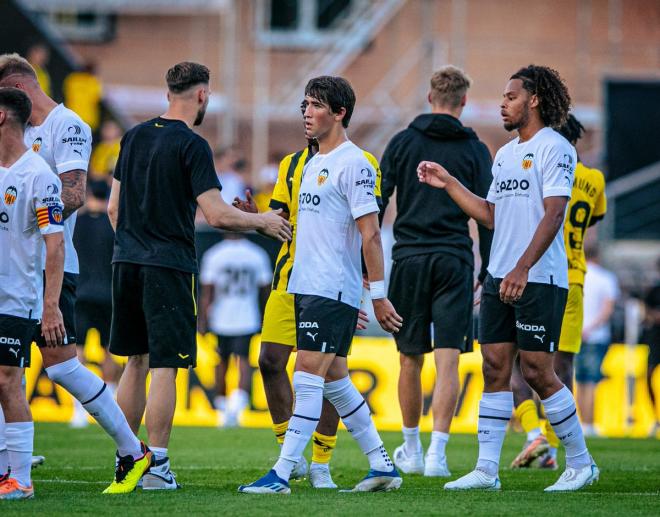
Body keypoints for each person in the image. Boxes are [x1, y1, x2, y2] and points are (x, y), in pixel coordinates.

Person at [108, 61, 290, 491]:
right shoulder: (192, 144)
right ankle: (156, 468)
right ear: (202, 95)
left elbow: (115, 209)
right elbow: (215, 212)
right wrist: (263, 221)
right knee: (166, 366)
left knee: (135, 361)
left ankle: (126, 458)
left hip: (126, 261)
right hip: (167, 264)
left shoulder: (133, 136)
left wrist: (135, 244)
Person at [418, 65, 599, 492]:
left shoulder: (556, 149)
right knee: (495, 367)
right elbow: (492, 215)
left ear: (534, 100)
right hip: (502, 276)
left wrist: (522, 268)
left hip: (538, 278)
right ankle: (486, 470)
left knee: (538, 371)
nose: (503, 103)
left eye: (511, 96)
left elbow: (555, 213)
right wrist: (449, 184)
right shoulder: (505, 153)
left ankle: (581, 462)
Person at [239, 76, 403, 495]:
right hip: (304, 286)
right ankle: (382, 465)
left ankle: (281, 472)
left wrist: (378, 296)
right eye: (304, 105)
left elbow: (370, 234)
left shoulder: (356, 163)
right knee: (336, 383)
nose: (306, 113)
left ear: (339, 112)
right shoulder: (309, 164)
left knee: (307, 376)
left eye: (315, 105)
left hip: (332, 288)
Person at [0, 53, 151, 494]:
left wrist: (35, 214)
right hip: (13, 267)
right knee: (6, 369)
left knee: (62, 369)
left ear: (16, 88)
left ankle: (131, 448)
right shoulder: (18, 134)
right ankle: (13, 459)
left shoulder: (67, 126)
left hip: (50, 266)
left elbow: (75, 193)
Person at [380, 65, 493, 477]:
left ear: (429, 98)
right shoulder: (476, 149)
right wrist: (488, 268)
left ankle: (410, 447)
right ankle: (437, 456)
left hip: (408, 256)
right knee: (449, 361)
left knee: (409, 358)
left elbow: (376, 202)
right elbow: (486, 214)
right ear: (463, 102)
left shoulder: (402, 142)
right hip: (455, 258)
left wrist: (364, 263)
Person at [509, 114, 607, 469]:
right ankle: (551, 447)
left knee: (516, 364)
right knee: (562, 368)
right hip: (575, 280)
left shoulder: (541, 167)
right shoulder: (593, 179)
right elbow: (594, 218)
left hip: (537, 276)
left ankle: (535, 433)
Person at [0, 87, 65, 499]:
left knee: (7, 380)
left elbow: (54, 243)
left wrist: (50, 305)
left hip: (14, 297)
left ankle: (21, 479)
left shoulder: (38, 174)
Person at [198, 233, 272, 427]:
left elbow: (207, 292)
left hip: (221, 317)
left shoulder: (215, 254)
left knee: (221, 362)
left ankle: (223, 408)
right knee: (243, 361)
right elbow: (266, 290)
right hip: (247, 316)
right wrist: (268, 318)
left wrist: (202, 322)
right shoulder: (257, 253)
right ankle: (237, 406)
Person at [71, 180, 120, 428]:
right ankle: (108, 402)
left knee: (78, 350)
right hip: (108, 294)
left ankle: (78, 410)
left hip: (80, 292)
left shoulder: (76, 222)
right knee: (108, 350)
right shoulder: (113, 225)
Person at [577, 246, 618, 437]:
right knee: (592, 381)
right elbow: (607, 310)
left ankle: (581, 423)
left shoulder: (577, 276)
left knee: (579, 380)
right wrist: (591, 328)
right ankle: (589, 423)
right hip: (596, 335)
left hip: (576, 334)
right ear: (598, 256)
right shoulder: (606, 278)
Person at [642, 258, 660, 436]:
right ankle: (656, 418)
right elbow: (645, 310)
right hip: (655, 339)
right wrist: (652, 315)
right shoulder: (653, 290)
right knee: (648, 376)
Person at [63, 61, 103, 133]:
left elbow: (66, 94)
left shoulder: (72, 79)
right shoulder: (93, 82)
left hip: (72, 116)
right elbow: (96, 98)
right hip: (88, 118)